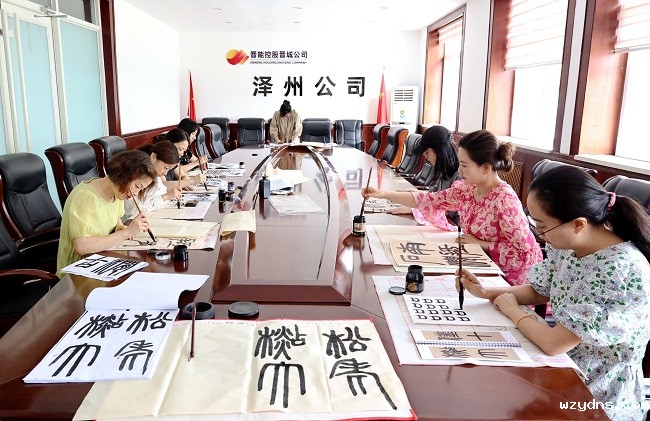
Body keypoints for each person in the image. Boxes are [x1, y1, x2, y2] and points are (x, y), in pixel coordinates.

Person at [458, 165, 650, 421]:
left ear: (578, 224)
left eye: (541, 226)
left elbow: (553, 344)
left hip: (598, 394)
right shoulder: (571, 246)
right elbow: (540, 290)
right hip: (561, 369)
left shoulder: (619, 270)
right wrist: (488, 292)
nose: (539, 234)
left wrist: (513, 310)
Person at [362, 130, 542, 285]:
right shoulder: (468, 189)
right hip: (477, 263)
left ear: (486, 168)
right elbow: (430, 200)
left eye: (464, 165)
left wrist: (482, 244)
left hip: (511, 279)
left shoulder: (505, 201)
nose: (460, 171)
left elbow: (522, 253)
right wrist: (383, 194)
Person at [56, 150, 157, 278]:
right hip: (78, 276)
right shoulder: (85, 196)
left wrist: (125, 228)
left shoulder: (117, 193)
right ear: (124, 175)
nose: (136, 193)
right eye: (137, 186)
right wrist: (126, 233)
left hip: (102, 264)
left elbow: (116, 224)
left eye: (141, 189)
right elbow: (82, 246)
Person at [388, 125, 462, 230]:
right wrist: (419, 195)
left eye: (427, 152)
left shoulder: (460, 176)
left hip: (455, 230)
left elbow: (449, 209)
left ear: (439, 151)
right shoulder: (444, 171)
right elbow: (436, 194)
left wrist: (416, 208)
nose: (425, 157)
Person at [123, 140, 181, 221]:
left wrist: (167, 196)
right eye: (166, 168)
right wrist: (165, 197)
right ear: (154, 157)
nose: (165, 173)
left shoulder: (155, 175)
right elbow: (134, 210)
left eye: (169, 170)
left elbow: (162, 192)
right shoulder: (137, 174)